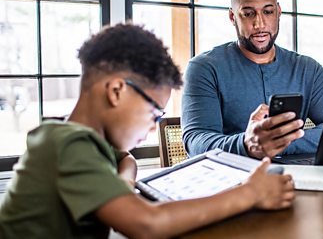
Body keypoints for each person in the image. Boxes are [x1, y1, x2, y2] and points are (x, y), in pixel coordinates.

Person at [0, 24, 295, 239]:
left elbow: (125, 159)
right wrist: (249, 194)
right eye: (154, 112)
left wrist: (123, 179)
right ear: (116, 91)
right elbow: (146, 224)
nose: (154, 125)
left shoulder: (80, 141)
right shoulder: (68, 145)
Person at [182, 0, 323, 159]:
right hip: (234, 180)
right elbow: (196, 141)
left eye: (268, 12)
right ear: (233, 16)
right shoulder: (204, 68)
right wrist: (247, 144)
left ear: (278, 12)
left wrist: (276, 143)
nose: (259, 24)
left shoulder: (308, 69)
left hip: (295, 179)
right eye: (248, 13)